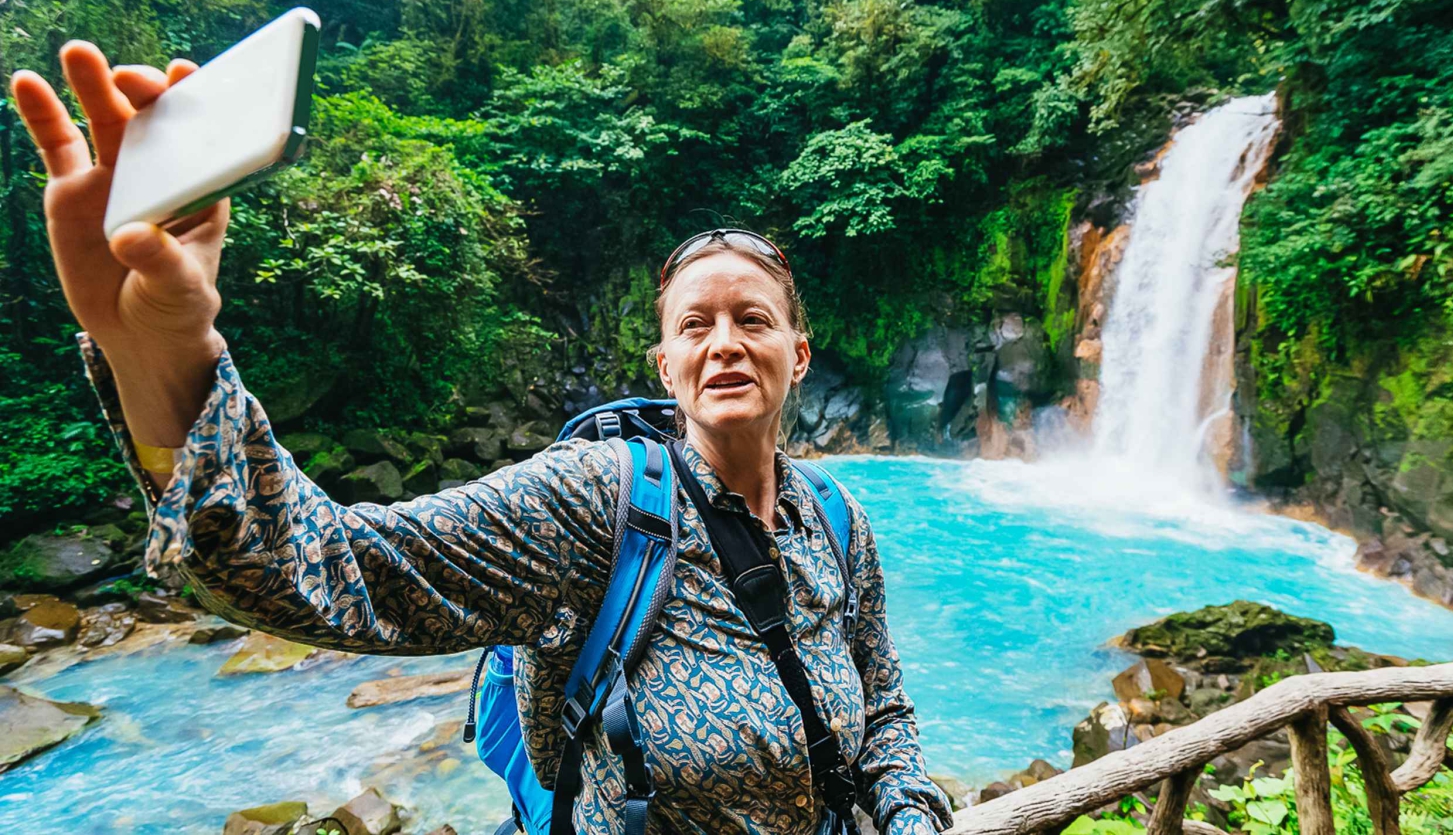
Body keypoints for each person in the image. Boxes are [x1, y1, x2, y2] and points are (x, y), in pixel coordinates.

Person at [10, 42, 954, 835]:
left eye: (752, 319)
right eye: (694, 325)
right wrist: (166, 361)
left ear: (799, 348)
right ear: (664, 367)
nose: (724, 343)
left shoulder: (833, 518)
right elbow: (333, 570)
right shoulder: (599, 503)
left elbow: (885, 711)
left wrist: (912, 815)